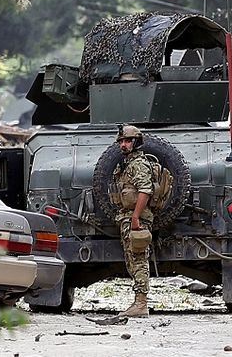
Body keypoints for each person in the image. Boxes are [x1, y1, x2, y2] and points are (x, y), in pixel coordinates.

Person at [92, 124, 154, 324]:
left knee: (138, 259)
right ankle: (138, 302)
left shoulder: (139, 164)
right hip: (126, 217)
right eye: (121, 142)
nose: (123, 145)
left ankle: (141, 304)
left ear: (136, 143)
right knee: (131, 259)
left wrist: (136, 217)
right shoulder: (126, 164)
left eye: (127, 141)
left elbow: (145, 190)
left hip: (137, 218)